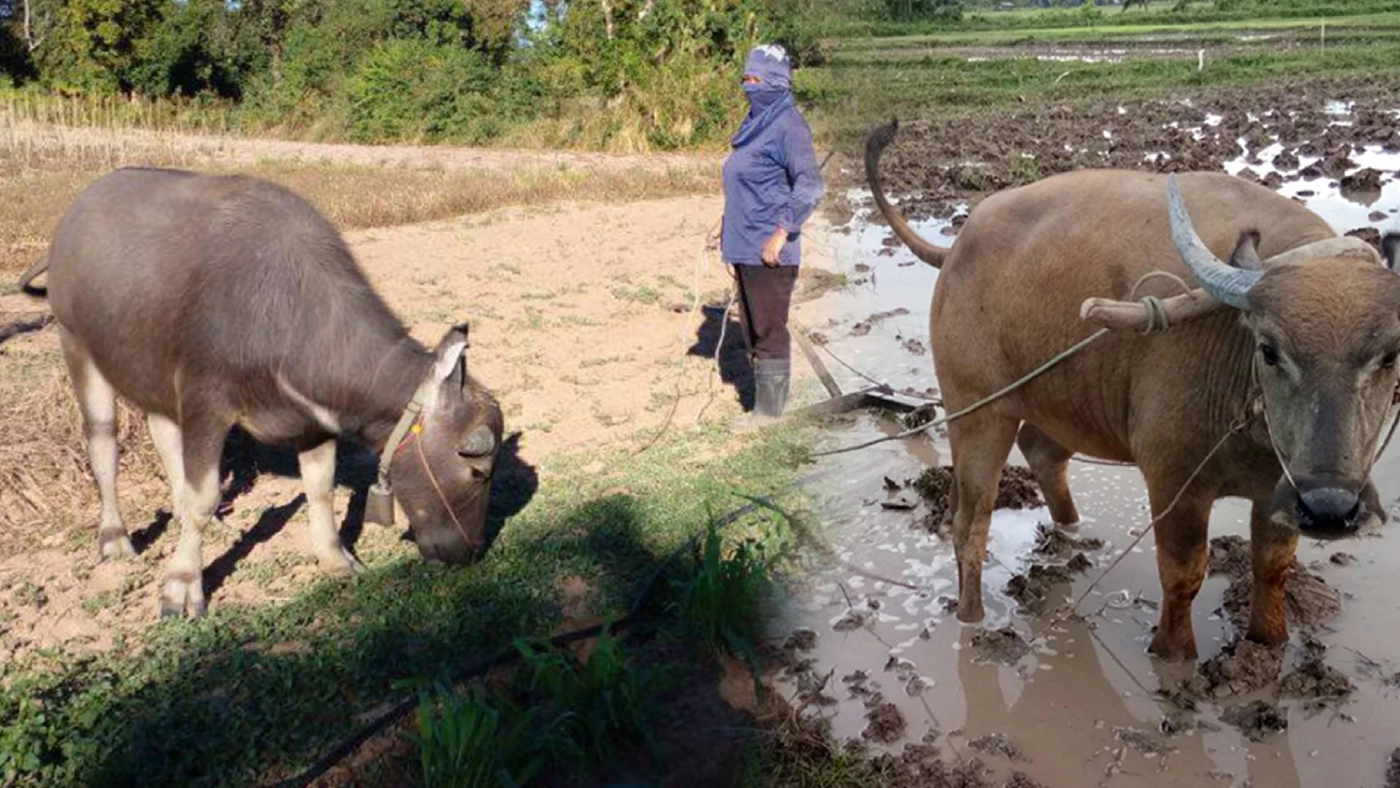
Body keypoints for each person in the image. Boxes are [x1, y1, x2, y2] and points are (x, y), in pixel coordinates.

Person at [707, 43, 825, 425]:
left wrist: (781, 232)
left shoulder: (788, 124)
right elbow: (746, 180)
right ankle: (760, 404)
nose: (748, 86)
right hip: (743, 242)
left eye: (755, 78)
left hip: (769, 249)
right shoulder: (755, 122)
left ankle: (769, 414)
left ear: (776, 81)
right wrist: (725, 223)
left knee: (769, 331)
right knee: (753, 329)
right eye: (745, 78)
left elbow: (809, 183)